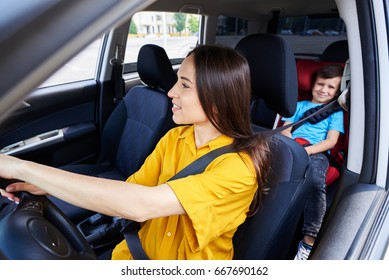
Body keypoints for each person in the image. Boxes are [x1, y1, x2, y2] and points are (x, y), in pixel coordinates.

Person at [0, 45, 271, 260]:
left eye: (185, 85)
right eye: (177, 81)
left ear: (217, 99)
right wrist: (48, 184)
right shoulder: (176, 137)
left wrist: (20, 167)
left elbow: (140, 205)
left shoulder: (238, 169)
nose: (171, 92)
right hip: (130, 256)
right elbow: (131, 190)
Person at [281, 64, 344, 260]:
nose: (324, 90)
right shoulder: (299, 106)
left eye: (331, 87)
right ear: (313, 85)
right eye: (320, 84)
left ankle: (309, 241)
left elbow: (331, 141)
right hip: (292, 147)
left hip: (316, 152)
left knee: (316, 182)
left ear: (337, 92)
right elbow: (285, 130)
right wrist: (291, 146)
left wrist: (306, 151)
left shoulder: (335, 113)